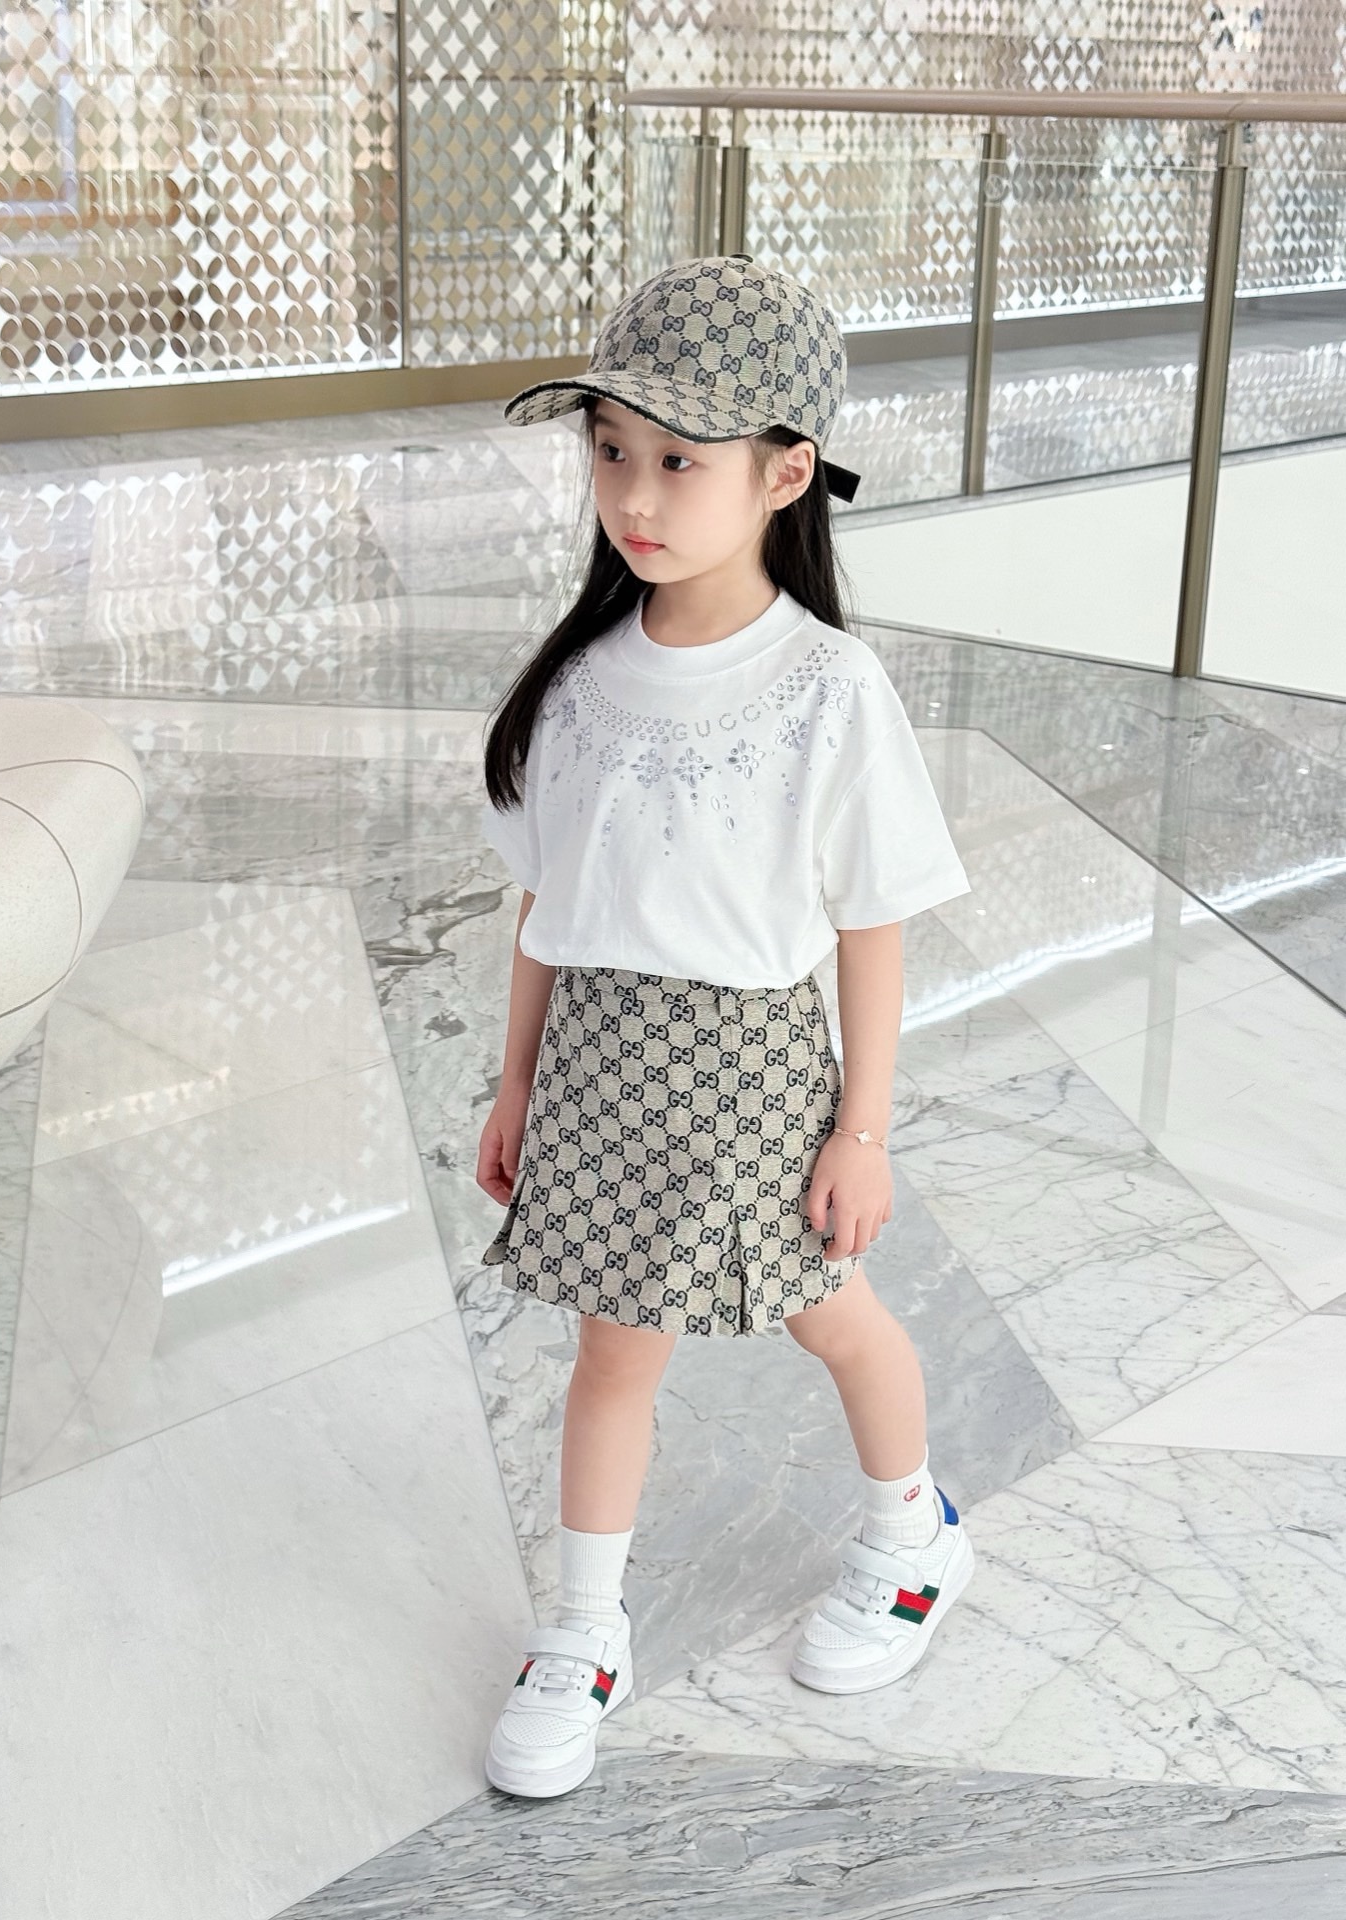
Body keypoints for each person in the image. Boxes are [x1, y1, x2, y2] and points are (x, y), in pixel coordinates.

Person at [474, 255, 975, 1801]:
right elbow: (545, 908)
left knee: (836, 1316)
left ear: (786, 473)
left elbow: (872, 921)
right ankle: (583, 1630)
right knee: (611, 1357)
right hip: (601, 1070)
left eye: (680, 460)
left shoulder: (827, 686)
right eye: (611, 449)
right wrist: (515, 1085)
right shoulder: (579, 685)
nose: (634, 494)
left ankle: (914, 1536)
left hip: (755, 1072)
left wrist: (862, 1130)